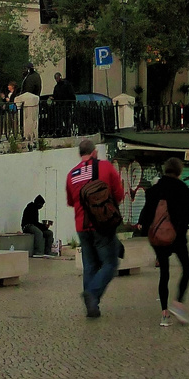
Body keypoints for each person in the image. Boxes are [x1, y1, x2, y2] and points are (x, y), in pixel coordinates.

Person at [65, 137, 125, 319]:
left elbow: (70, 202)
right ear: (94, 152)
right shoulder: (106, 167)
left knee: (90, 264)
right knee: (110, 263)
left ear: (80, 154)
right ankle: (92, 294)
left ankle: (92, 307)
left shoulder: (71, 174)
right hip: (102, 225)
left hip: (81, 226)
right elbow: (119, 194)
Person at [137, 156, 189, 327]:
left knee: (164, 274)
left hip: (158, 239)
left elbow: (146, 214)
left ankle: (164, 315)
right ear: (179, 171)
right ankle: (178, 303)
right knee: (187, 270)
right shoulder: (183, 189)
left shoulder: (154, 190)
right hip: (177, 238)